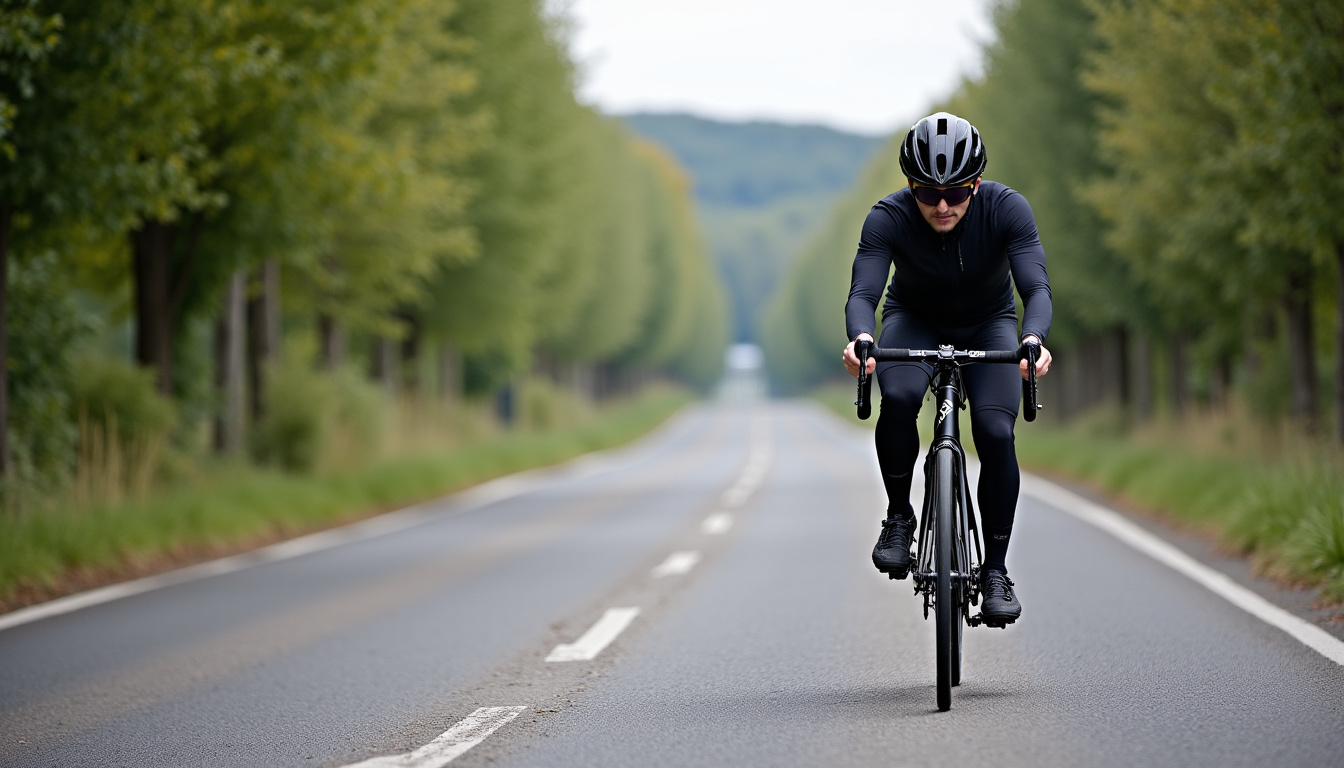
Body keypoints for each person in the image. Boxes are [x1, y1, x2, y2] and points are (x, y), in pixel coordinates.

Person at [841, 112, 1053, 625]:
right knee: (901, 399)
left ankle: (996, 571)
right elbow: (865, 291)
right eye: (927, 193)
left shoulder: (1007, 210)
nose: (941, 206)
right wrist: (862, 339)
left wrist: (1033, 340)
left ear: (976, 185)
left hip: (989, 324)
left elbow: (1036, 288)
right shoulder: (886, 217)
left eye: (956, 193)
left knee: (995, 431)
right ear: (909, 185)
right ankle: (899, 516)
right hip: (914, 321)